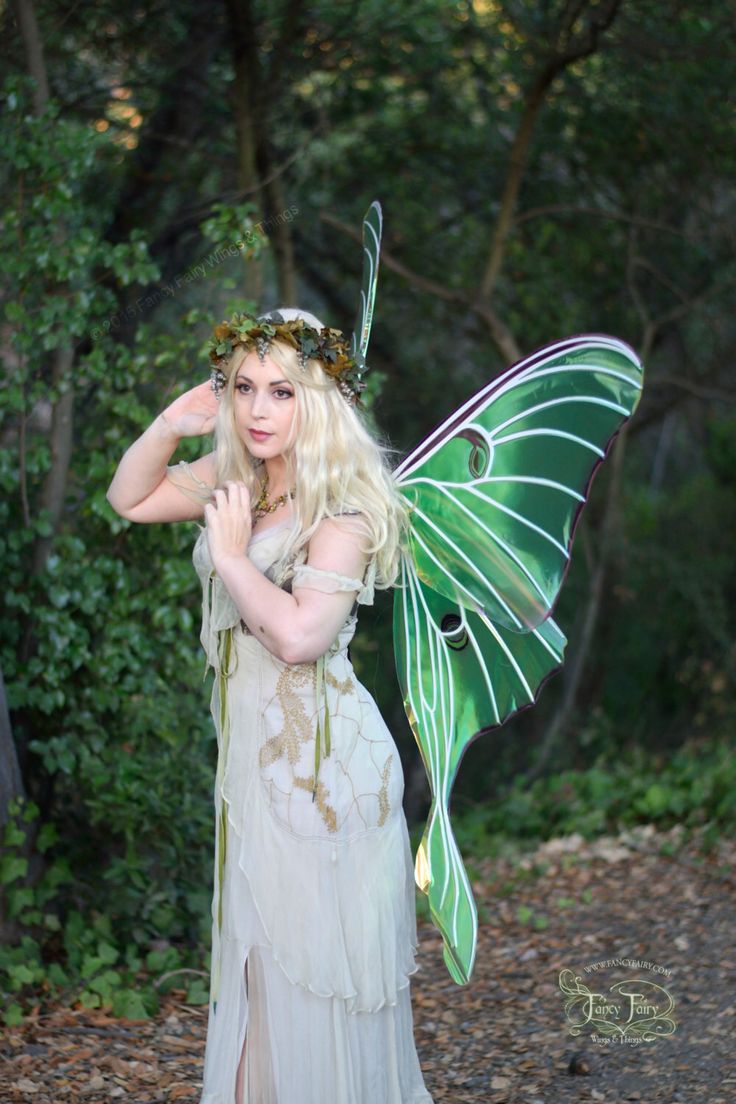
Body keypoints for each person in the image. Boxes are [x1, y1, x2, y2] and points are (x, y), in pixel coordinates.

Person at [106, 307, 434, 1104]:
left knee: (305, 988)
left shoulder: (344, 512)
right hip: (255, 773)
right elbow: (130, 498)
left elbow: (298, 636)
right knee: (257, 982)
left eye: (282, 392)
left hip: (325, 779)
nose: (257, 411)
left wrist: (227, 558)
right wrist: (171, 423)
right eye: (244, 388)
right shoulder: (239, 483)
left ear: (317, 399)